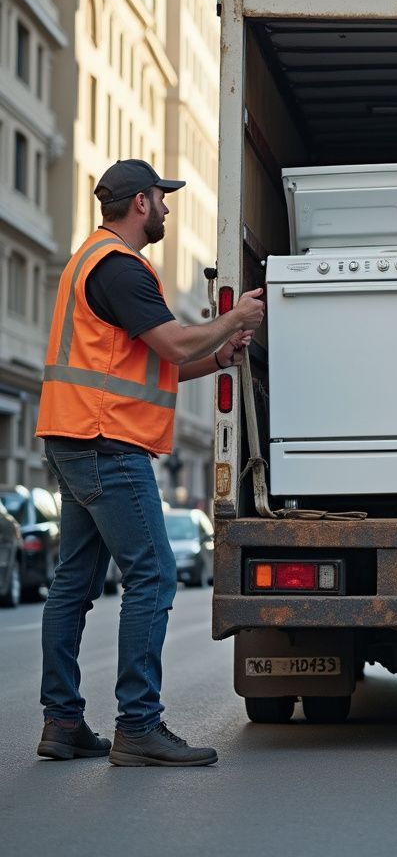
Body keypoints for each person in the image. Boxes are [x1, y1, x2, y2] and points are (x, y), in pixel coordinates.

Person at [35, 159, 265, 767]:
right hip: (107, 442)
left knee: (74, 584)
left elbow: (150, 365)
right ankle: (137, 725)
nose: (167, 208)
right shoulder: (121, 269)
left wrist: (217, 359)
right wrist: (234, 318)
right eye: (163, 199)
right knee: (155, 576)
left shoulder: (92, 259)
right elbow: (170, 343)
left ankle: (61, 722)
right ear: (140, 203)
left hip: (76, 434)